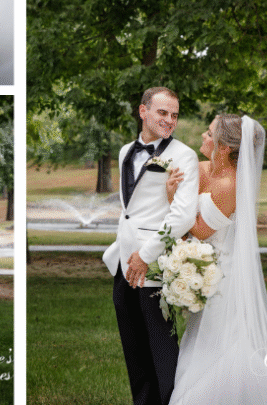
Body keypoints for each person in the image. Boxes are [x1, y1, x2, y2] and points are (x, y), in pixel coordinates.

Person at [164, 115, 267, 404]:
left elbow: (198, 229)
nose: (202, 138)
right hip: (197, 264)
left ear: (223, 147)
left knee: (218, 343)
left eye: (208, 134)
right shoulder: (199, 167)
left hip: (219, 276)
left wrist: (172, 200)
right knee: (197, 340)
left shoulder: (229, 185)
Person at [102, 87, 200, 405]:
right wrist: (129, 257)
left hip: (153, 267)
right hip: (123, 265)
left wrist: (145, 256)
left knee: (162, 353)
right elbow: (131, 210)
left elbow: (183, 215)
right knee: (134, 352)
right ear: (143, 111)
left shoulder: (183, 155)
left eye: (174, 115)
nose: (169, 120)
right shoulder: (124, 152)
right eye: (162, 113)